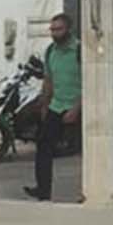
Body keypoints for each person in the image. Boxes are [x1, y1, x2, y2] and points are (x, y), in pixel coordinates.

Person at [29, 12, 81, 203]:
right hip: (57, 105)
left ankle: (86, 191)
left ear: (68, 29)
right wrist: (45, 104)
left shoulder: (78, 50)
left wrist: (76, 108)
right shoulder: (51, 51)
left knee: (82, 151)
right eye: (52, 29)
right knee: (43, 145)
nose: (54, 33)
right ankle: (43, 190)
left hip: (77, 105)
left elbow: (89, 82)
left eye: (58, 29)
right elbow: (48, 80)